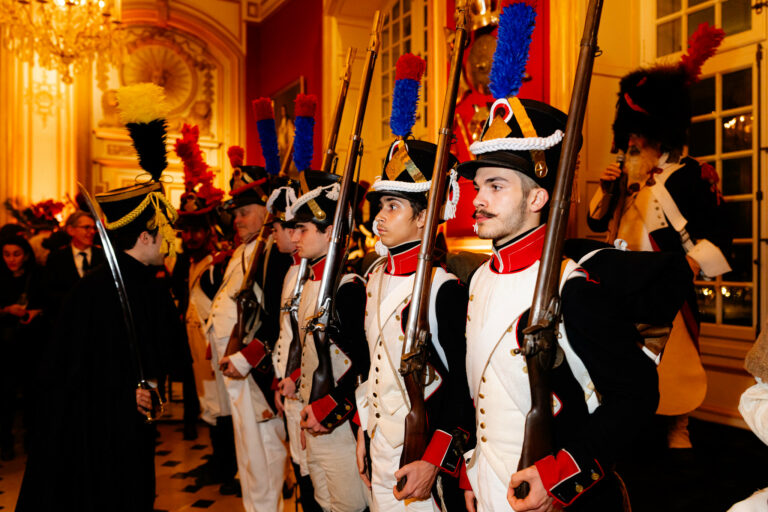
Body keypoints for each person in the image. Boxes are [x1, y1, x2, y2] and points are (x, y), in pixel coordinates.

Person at [454, 5, 686, 509]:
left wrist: (561, 474)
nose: (479, 199)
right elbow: (482, 399)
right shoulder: (478, 282)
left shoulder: (572, 287)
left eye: (497, 186)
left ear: (539, 198)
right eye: (478, 185)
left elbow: (634, 397)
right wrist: (473, 472)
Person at [16, 82, 181, 512]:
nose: (171, 239)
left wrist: (149, 388)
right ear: (145, 234)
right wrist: (124, 393)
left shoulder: (145, 281)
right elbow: (70, 372)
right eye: (164, 231)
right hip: (97, 435)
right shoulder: (95, 291)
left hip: (128, 428)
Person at [587, 23, 731, 449]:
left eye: (638, 139)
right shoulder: (625, 177)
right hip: (624, 278)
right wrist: (607, 187)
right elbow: (599, 224)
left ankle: (678, 424)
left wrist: (685, 268)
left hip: (667, 277)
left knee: (677, 358)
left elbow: (720, 235)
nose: (631, 144)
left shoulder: (695, 175)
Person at [351, 52, 473, 512]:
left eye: (394, 208)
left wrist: (435, 458)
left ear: (424, 220)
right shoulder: (375, 277)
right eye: (380, 207)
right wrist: (364, 433)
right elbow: (371, 370)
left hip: (421, 458)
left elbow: (462, 388)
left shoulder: (443, 289)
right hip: (379, 446)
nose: (380, 218)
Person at [281, 169, 370, 512]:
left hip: (339, 426)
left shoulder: (348, 289)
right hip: (313, 417)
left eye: (302, 229)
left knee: (347, 504)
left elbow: (362, 368)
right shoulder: (311, 284)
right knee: (322, 501)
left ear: (330, 232)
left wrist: (327, 409)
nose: (294, 235)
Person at [206, 159, 289, 512]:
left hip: (257, 374)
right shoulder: (242, 251)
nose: (236, 220)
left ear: (265, 212)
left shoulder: (274, 253)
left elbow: (277, 318)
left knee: (265, 458)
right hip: (236, 371)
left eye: (244, 212)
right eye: (235, 213)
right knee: (249, 461)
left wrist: (246, 357)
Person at [170, 123, 238, 490]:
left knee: (224, 409)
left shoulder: (218, 262)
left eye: (197, 229)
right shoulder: (189, 262)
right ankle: (218, 461)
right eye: (186, 230)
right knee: (210, 409)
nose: (190, 236)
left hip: (218, 352)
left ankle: (228, 467)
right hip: (197, 351)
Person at [0, 235, 45, 460]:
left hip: (30, 344)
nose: (11, 259)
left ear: (26, 255)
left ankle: (31, 439)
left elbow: (49, 303)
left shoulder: (36, 276)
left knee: (32, 394)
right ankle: (6, 442)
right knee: (5, 396)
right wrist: (7, 310)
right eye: (6, 254)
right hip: (4, 346)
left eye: (16, 254)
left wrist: (36, 312)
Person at [44, 210, 104, 318]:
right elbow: (50, 292)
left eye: (93, 228)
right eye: (86, 227)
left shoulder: (103, 256)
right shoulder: (56, 258)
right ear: (71, 230)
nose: (92, 232)